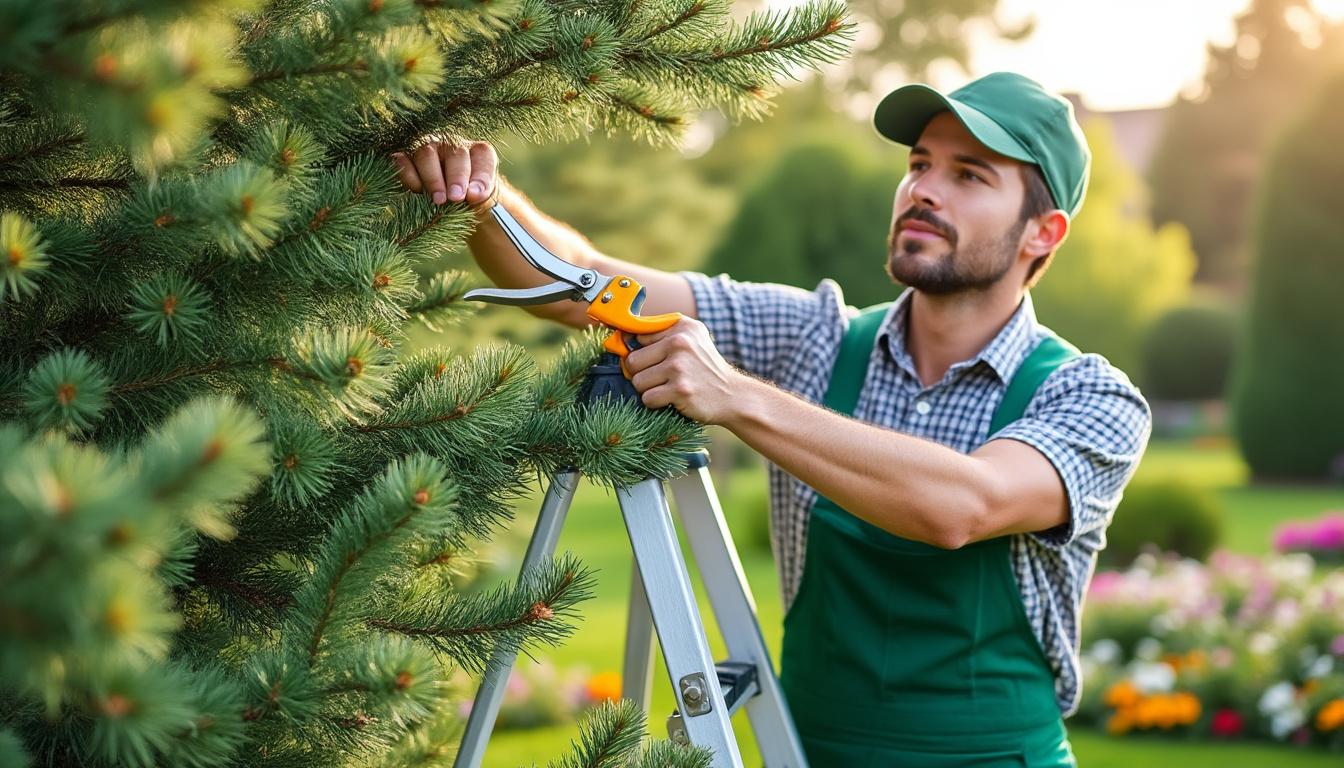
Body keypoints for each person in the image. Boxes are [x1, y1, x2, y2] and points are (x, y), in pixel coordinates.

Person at [393, 72, 1151, 767]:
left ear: (1042, 233)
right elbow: (578, 282)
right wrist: (486, 199)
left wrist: (738, 395)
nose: (924, 190)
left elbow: (963, 505)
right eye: (919, 164)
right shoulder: (813, 337)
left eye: (969, 176)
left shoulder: (1091, 400)